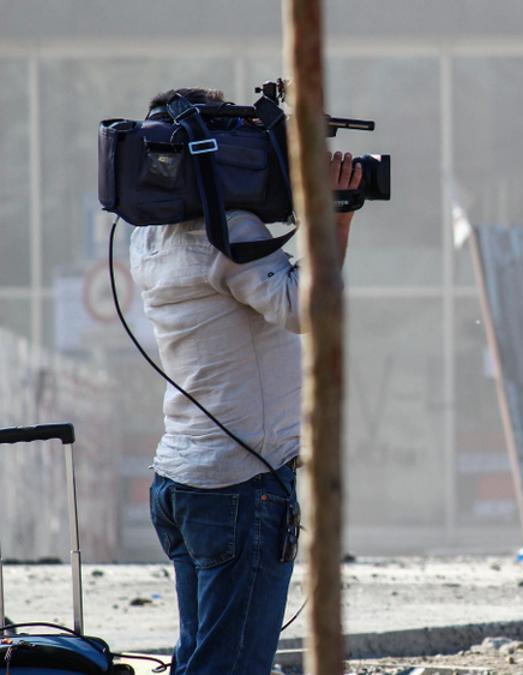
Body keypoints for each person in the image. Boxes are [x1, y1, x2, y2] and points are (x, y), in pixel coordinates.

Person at [131, 87, 363, 674]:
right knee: (228, 667)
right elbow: (305, 309)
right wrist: (336, 213)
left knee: (200, 659)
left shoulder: (147, 236)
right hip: (239, 487)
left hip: (181, 480)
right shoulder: (227, 231)